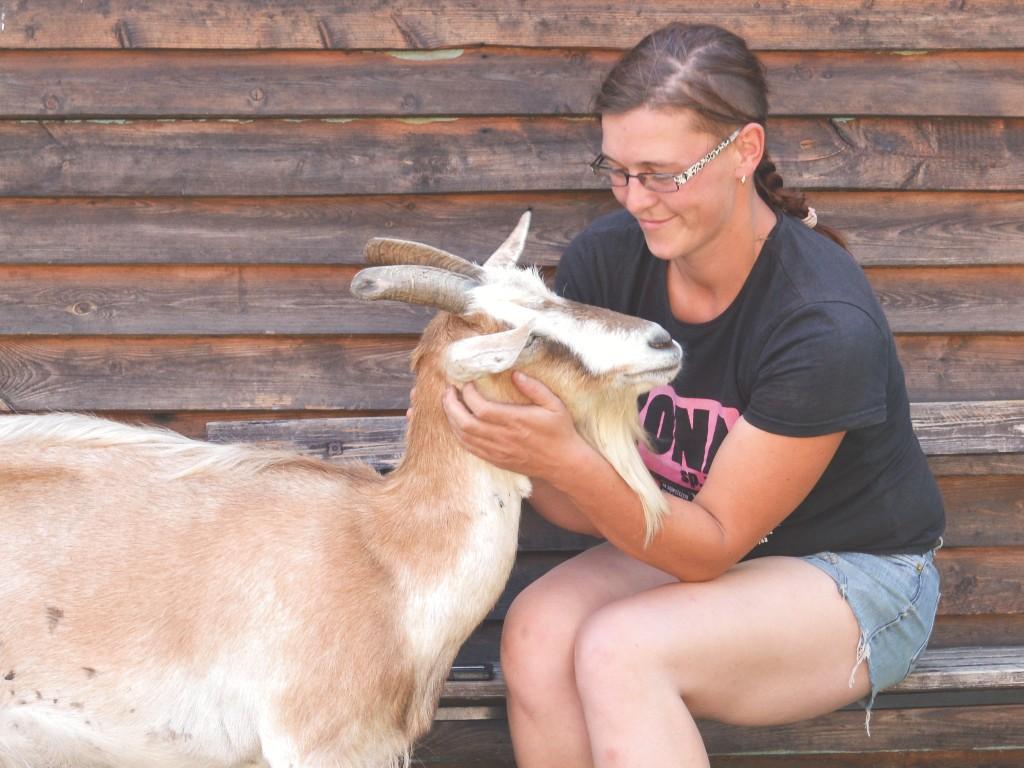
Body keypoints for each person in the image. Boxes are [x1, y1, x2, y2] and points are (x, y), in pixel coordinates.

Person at [440, 22, 945, 768]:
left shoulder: (822, 323)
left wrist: (564, 458)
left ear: (744, 151)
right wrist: (520, 442)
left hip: (855, 574)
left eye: (661, 173)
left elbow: (705, 545)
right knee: (539, 630)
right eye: (616, 171)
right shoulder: (608, 264)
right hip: (690, 541)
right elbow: (581, 502)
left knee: (623, 651)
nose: (636, 199)